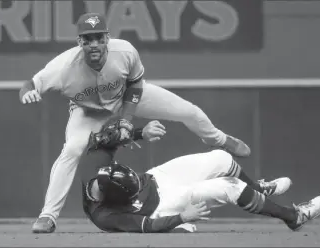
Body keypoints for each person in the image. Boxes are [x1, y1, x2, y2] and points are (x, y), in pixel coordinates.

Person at [19, 12, 251, 233]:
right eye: (88, 39)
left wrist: (125, 120)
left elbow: (135, 84)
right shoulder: (62, 68)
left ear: (107, 38)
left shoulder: (125, 51)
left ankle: (220, 140)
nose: (94, 44)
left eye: (98, 38)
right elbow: (29, 84)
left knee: (190, 112)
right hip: (88, 112)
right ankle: (48, 215)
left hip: (125, 98)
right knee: (72, 149)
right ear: (80, 41)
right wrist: (28, 93)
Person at [81, 132, 320, 233]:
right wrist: (181, 217)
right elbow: (148, 226)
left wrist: (133, 133)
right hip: (161, 206)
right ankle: (293, 217)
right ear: (117, 198)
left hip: (158, 177)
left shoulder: (97, 168)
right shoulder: (105, 216)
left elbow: (99, 143)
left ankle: (259, 189)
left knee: (221, 158)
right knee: (229, 186)